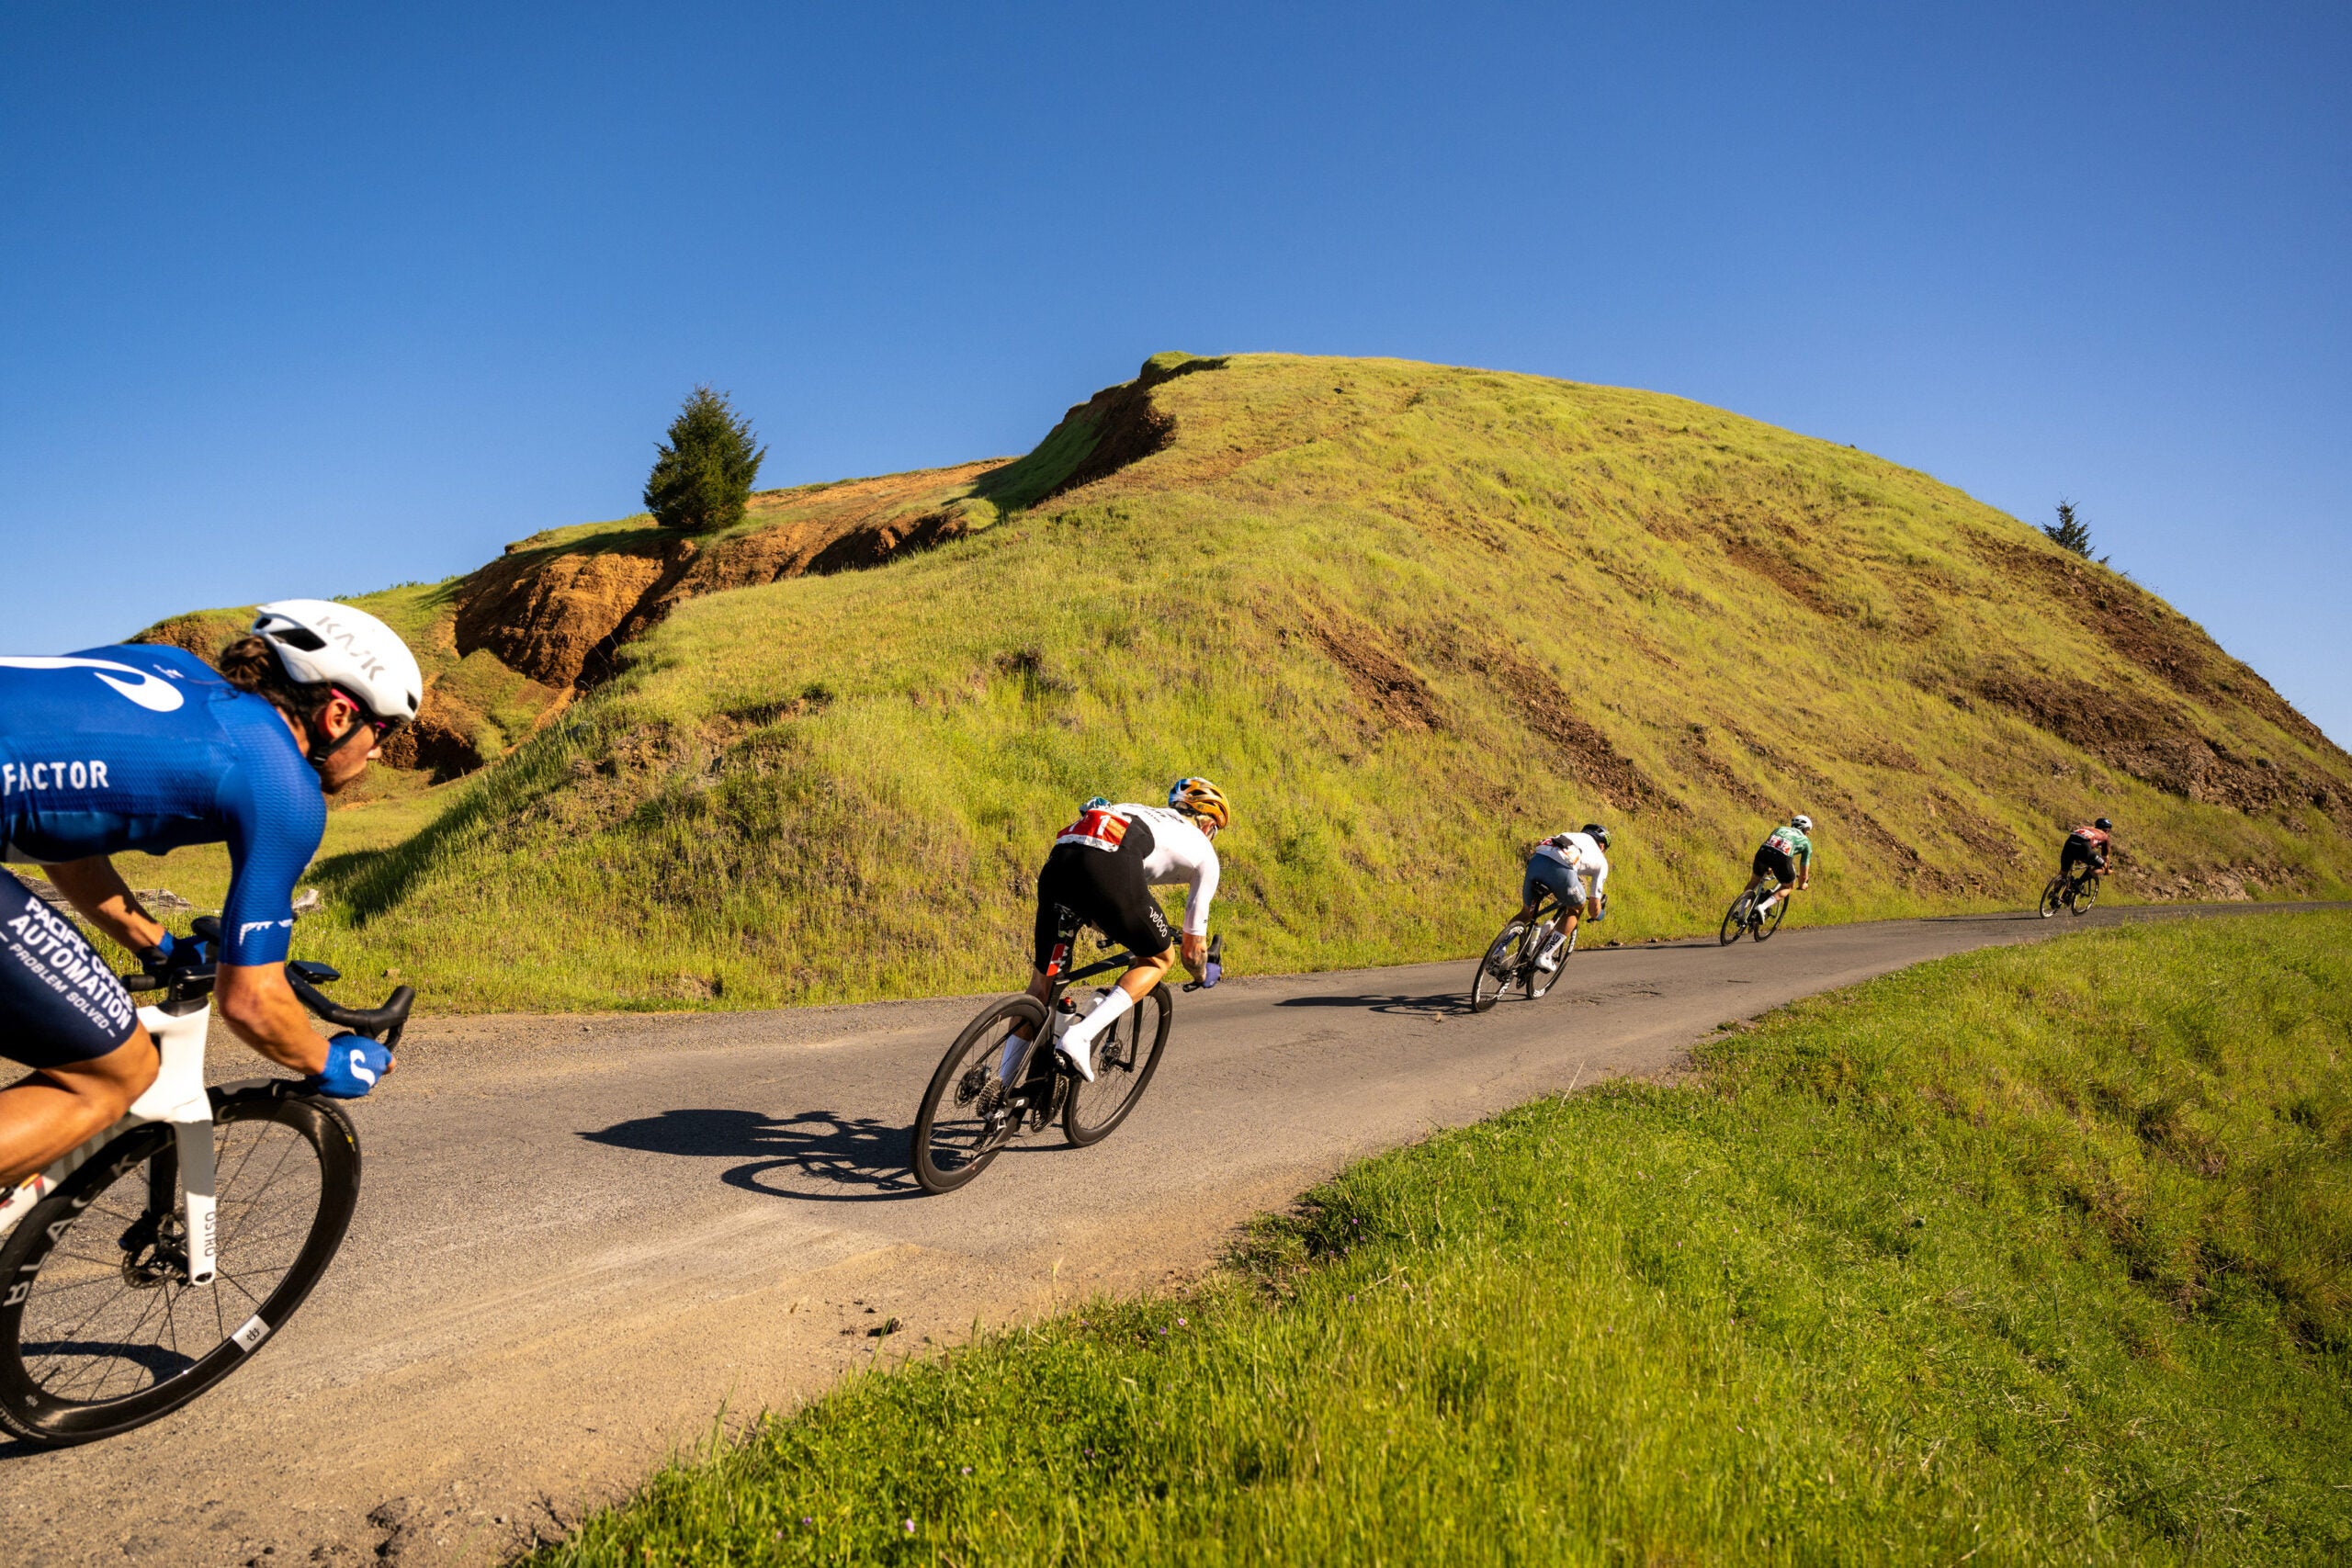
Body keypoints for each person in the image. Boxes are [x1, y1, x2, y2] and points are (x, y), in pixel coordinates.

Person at [0, 601, 422, 1188]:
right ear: (338, 714)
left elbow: (57, 831)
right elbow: (251, 1000)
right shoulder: (283, 785)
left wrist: (159, 944)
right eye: (382, 731)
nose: (378, 751)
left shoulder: (167, 665)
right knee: (114, 1075)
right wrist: (329, 1060)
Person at [1005, 777, 1227, 1084]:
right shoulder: (1204, 851)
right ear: (1208, 825)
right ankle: (1080, 1037)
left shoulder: (1139, 810)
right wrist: (1205, 974)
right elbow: (1193, 951)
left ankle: (999, 1089)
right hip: (1111, 865)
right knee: (1159, 959)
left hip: (1062, 857)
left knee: (1042, 987)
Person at [1519, 823, 1610, 971]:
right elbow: (1593, 909)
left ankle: (1497, 952)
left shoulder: (1571, 835)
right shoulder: (1601, 860)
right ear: (1601, 846)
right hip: (1563, 869)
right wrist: (1599, 914)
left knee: (1526, 913)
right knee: (1576, 909)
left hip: (1537, 860)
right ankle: (1545, 956)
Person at [1746, 814, 1814, 922]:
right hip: (1782, 858)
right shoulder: (1806, 842)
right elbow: (1804, 874)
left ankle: (1740, 912)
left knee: (1754, 881)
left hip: (1763, 852)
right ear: (1805, 830)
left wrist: (1769, 866)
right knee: (1788, 886)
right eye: (1808, 831)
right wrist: (1803, 884)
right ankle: (1762, 907)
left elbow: (1772, 845)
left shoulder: (1780, 829)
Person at [2059, 817, 2113, 888]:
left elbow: (2079, 840)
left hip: (2069, 843)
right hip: (2084, 846)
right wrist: (2107, 871)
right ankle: (2079, 883)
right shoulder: (2104, 836)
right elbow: (2105, 857)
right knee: (2103, 865)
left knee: (2063, 873)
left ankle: (2055, 894)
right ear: (2107, 830)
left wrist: (2079, 857)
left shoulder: (2086, 828)